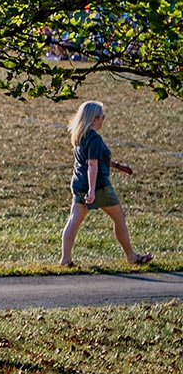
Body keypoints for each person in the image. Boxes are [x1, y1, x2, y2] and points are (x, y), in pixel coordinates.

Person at [60, 101, 153, 267]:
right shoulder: (94, 137)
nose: (104, 119)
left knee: (74, 220)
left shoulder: (79, 135)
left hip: (78, 184)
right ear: (94, 118)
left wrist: (118, 166)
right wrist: (92, 191)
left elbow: (97, 159)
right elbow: (92, 164)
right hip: (98, 185)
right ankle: (131, 256)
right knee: (119, 217)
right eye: (102, 116)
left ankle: (65, 259)